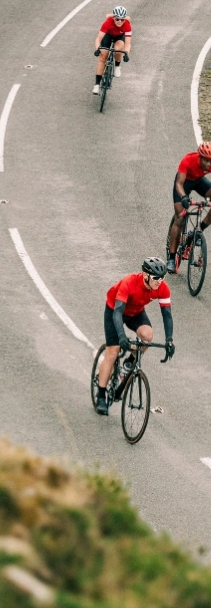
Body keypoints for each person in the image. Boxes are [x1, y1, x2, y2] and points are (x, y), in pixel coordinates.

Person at [95, 257, 174, 416]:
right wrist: (122, 336)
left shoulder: (162, 287)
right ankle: (101, 395)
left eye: (162, 277)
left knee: (147, 336)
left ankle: (130, 362)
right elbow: (117, 313)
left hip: (136, 312)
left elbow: (167, 315)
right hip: (115, 311)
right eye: (156, 278)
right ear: (145, 275)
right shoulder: (129, 283)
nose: (159, 281)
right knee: (113, 351)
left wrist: (169, 340)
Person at [167, 142, 211, 271]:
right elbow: (179, 184)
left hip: (198, 181)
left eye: (210, 161)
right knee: (179, 218)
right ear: (200, 157)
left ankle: (197, 232)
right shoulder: (188, 160)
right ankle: (171, 258)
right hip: (183, 183)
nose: (208, 164)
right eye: (205, 160)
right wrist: (184, 197)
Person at [92, 5, 131, 95]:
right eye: (117, 19)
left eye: (122, 19)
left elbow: (128, 44)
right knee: (103, 56)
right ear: (113, 18)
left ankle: (117, 66)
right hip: (108, 36)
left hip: (119, 37)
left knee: (118, 49)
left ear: (125, 19)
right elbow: (98, 38)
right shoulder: (108, 22)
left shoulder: (127, 25)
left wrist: (127, 54)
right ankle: (97, 85)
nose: (120, 21)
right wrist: (98, 49)